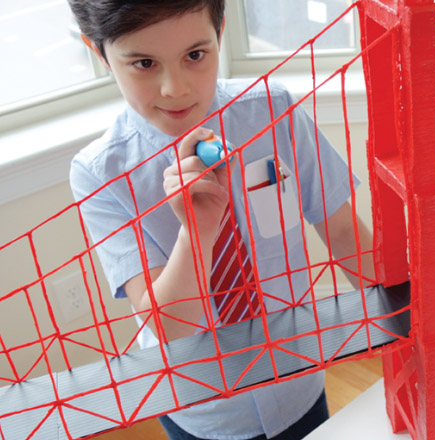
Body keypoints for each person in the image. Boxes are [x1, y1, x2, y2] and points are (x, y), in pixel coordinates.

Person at [66, 1, 374, 439]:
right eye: (144, 63)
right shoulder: (100, 173)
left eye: (195, 55)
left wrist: (412, 330)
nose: (175, 88)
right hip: (203, 409)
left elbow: (344, 232)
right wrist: (197, 232)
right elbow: (171, 325)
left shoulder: (274, 112)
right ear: (99, 53)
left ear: (221, 33)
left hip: (299, 378)